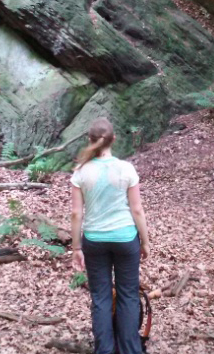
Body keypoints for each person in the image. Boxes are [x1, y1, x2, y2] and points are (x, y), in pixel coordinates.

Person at [70, 117, 150, 354]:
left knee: (101, 297)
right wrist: (144, 241)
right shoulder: (126, 169)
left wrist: (76, 248)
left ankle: (104, 350)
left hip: (94, 241)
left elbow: (76, 213)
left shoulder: (81, 171)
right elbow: (137, 209)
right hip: (126, 239)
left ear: (90, 140)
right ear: (114, 139)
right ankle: (130, 349)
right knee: (128, 295)